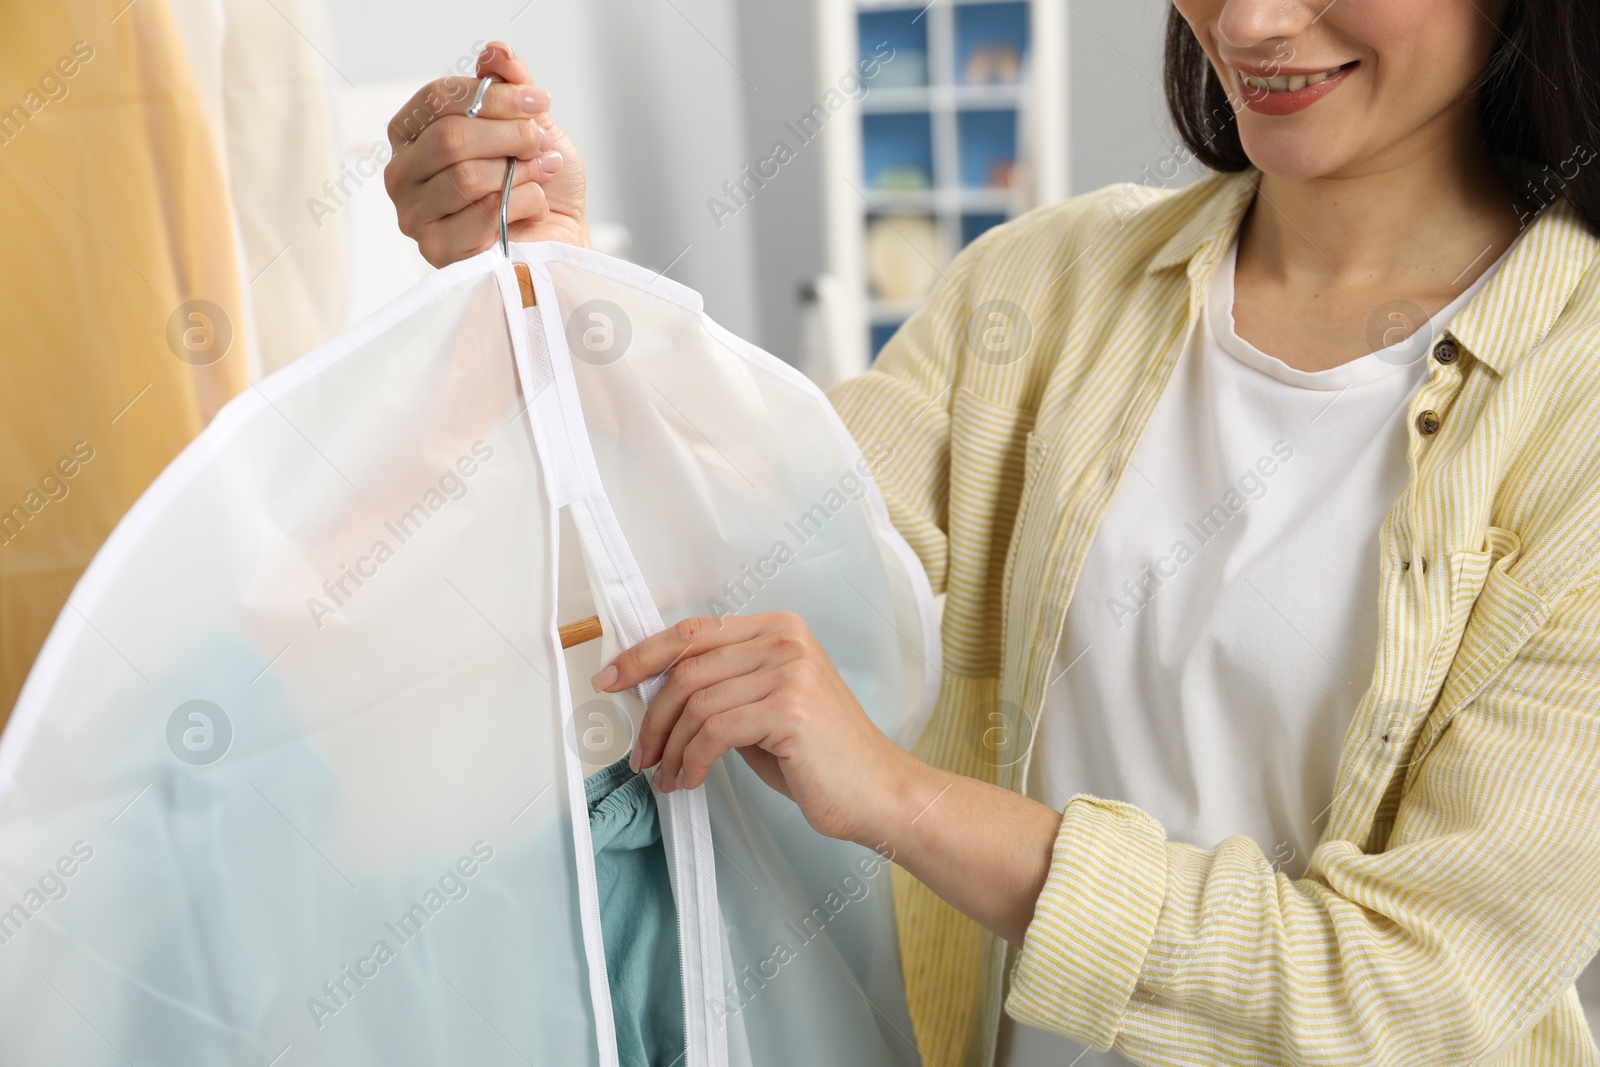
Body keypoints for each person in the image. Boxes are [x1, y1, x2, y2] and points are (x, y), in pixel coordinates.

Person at [384, 1, 1600, 1062]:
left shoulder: (1576, 404)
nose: (1251, 26)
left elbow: (1416, 988)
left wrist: (903, 799)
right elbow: (767, 560)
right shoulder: (1039, 286)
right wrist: (566, 292)